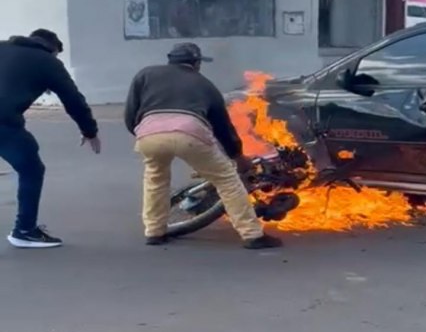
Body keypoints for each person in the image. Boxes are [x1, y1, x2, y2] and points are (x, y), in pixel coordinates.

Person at [124, 42, 282, 249]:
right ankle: (252, 235)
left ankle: (154, 231)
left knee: (155, 178)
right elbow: (223, 128)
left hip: (148, 133)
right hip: (189, 133)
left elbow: (130, 113)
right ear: (196, 63)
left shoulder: (145, 75)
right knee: (226, 179)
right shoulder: (205, 84)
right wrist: (238, 158)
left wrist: (143, 132)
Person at [0, 29, 101, 248]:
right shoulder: (48, 62)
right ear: (52, 49)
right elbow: (72, 98)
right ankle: (24, 230)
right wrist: (89, 130)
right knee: (31, 169)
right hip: (3, 123)